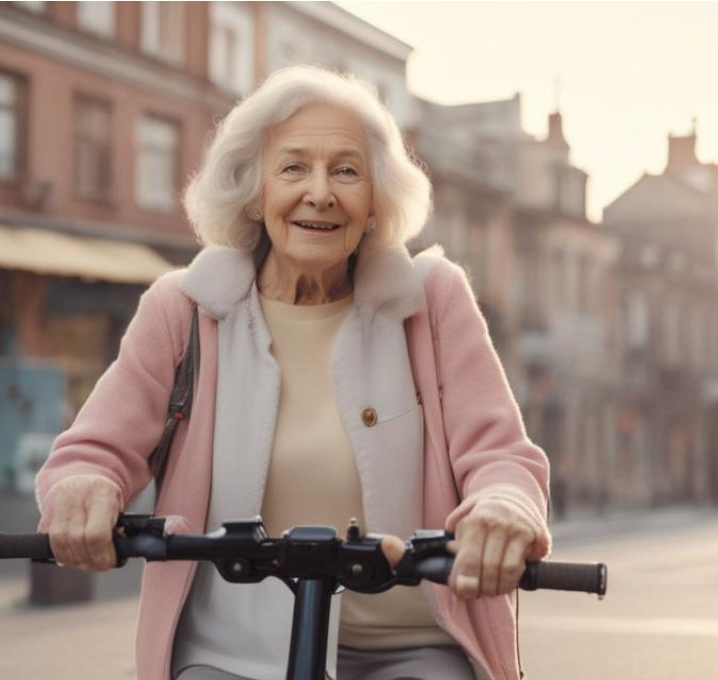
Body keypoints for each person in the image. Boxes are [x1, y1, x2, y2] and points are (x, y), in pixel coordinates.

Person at [34, 65, 552, 680]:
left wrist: (502, 506)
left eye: (346, 171)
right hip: (228, 652)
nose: (320, 192)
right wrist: (83, 488)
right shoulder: (184, 309)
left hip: (409, 645)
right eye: (292, 167)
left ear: (374, 204)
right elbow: (93, 451)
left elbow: (500, 455)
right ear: (255, 193)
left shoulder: (430, 301)